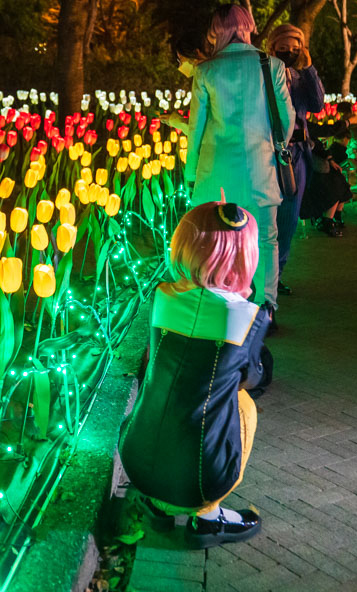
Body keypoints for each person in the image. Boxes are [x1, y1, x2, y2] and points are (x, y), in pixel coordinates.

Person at [119, 201, 266, 549]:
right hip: (202, 479)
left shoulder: (162, 296)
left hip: (135, 459)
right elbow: (254, 377)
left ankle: (157, 504)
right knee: (242, 405)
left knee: (167, 386)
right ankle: (208, 518)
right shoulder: (248, 316)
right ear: (245, 256)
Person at [163, 4, 295, 314]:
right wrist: (272, 147)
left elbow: (197, 128)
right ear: (248, 25)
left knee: (214, 238)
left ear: (214, 31)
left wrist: (191, 172)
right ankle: (266, 305)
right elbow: (286, 119)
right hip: (260, 168)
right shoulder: (271, 65)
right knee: (265, 239)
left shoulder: (207, 70)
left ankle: (217, 301)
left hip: (216, 172)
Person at [267, 24, 324, 295]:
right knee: (266, 217)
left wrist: (309, 68)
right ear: (272, 47)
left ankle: (276, 275)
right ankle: (261, 276)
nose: (289, 53)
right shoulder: (263, 75)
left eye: (295, 48)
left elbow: (318, 104)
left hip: (297, 155)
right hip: (269, 152)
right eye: (283, 48)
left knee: (288, 219)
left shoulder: (302, 78)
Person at [301, 124, 354, 236]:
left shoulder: (307, 128)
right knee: (334, 185)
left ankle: (336, 216)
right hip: (309, 171)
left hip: (321, 167)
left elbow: (320, 147)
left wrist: (330, 160)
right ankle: (327, 220)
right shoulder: (299, 129)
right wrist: (347, 122)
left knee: (341, 182)